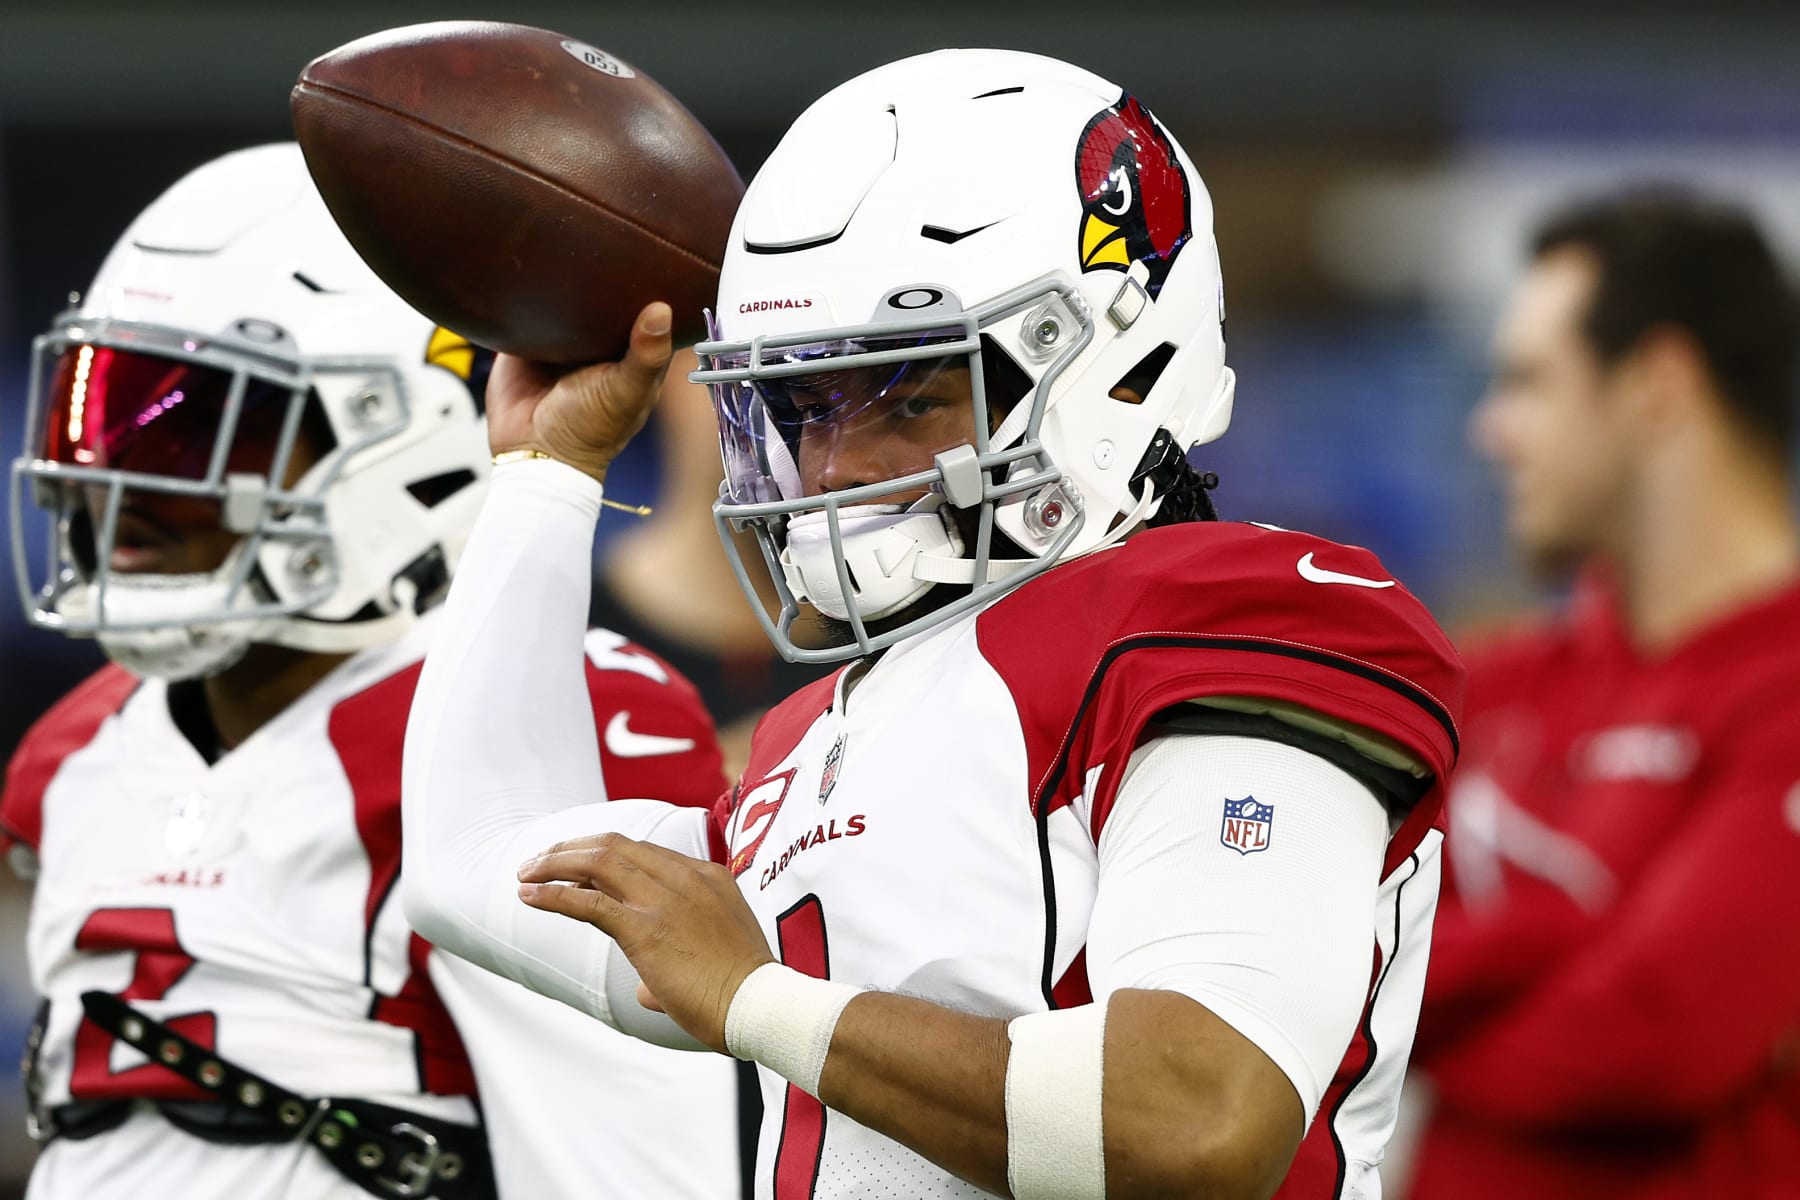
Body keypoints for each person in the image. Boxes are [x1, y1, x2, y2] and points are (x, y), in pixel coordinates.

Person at [404, 49, 1464, 1199]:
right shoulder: (829, 726)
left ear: (1119, 368)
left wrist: (757, 999)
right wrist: (547, 473)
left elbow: (1197, 1120)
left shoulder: (1240, 619)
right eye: (804, 406)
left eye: (907, 397)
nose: (834, 467)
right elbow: (470, 866)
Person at [1, 143, 740, 1199]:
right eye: (102, 414)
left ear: (402, 435)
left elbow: (640, 1167)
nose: (116, 480)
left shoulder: (557, 707)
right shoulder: (76, 748)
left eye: (194, 428)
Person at [1406, 193, 1800, 1199]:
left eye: (1528, 382)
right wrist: (1572, 946)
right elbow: (1316, 959)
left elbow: (1656, 1034)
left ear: (1658, 383)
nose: (1491, 430)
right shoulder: (1484, 686)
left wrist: (1398, 1031)